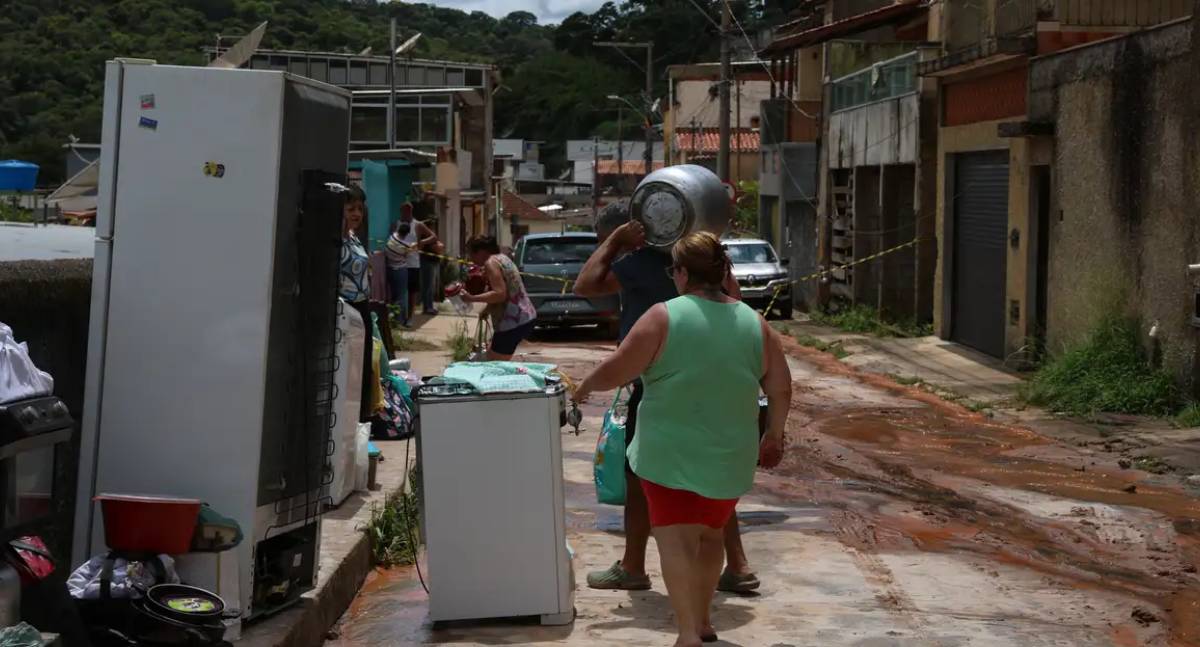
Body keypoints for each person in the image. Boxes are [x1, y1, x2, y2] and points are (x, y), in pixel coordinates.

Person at [572, 232, 791, 647]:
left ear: (684, 273)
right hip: (731, 454)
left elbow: (618, 369)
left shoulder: (662, 317)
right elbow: (781, 387)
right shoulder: (754, 322)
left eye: (674, 269)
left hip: (668, 454)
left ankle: (688, 633)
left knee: (674, 539)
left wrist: (581, 390)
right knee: (711, 536)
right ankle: (704, 620)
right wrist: (774, 433)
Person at [461, 236, 537, 360]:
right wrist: (487, 309)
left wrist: (471, 298)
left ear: (481, 252)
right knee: (492, 354)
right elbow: (507, 290)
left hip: (512, 323)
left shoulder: (491, 263)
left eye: (471, 254)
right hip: (525, 317)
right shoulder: (503, 258)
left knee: (494, 365)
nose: (471, 259)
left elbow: (500, 294)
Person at [339, 186, 374, 421]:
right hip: (347, 311)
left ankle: (361, 424)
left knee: (362, 370)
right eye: (350, 208)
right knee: (349, 372)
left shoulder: (354, 239)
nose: (356, 213)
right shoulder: (336, 243)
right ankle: (349, 422)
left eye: (360, 209)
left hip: (363, 309)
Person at [397, 204, 438, 318]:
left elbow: (433, 236)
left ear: (411, 211)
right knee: (399, 291)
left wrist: (423, 242)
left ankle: (410, 316)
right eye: (404, 211)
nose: (406, 213)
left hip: (413, 263)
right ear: (401, 211)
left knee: (412, 292)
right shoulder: (396, 224)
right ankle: (398, 316)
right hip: (398, 263)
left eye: (408, 211)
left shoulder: (418, 225)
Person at [385, 216, 417, 328]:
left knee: (393, 295)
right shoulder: (404, 245)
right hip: (400, 271)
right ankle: (398, 321)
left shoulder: (392, 238)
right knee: (401, 296)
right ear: (407, 234)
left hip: (389, 269)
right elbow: (408, 253)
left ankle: (393, 319)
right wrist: (414, 246)